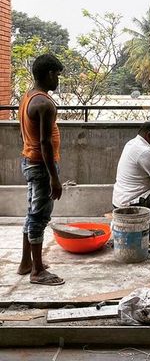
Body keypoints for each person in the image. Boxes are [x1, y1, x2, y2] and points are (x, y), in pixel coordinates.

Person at [17, 54, 65, 285]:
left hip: (31, 161)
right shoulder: (43, 103)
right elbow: (45, 142)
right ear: (49, 74)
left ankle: (27, 262)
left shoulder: (29, 96)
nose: (58, 79)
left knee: (31, 212)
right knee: (38, 217)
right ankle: (37, 271)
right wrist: (54, 178)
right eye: (57, 74)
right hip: (40, 166)